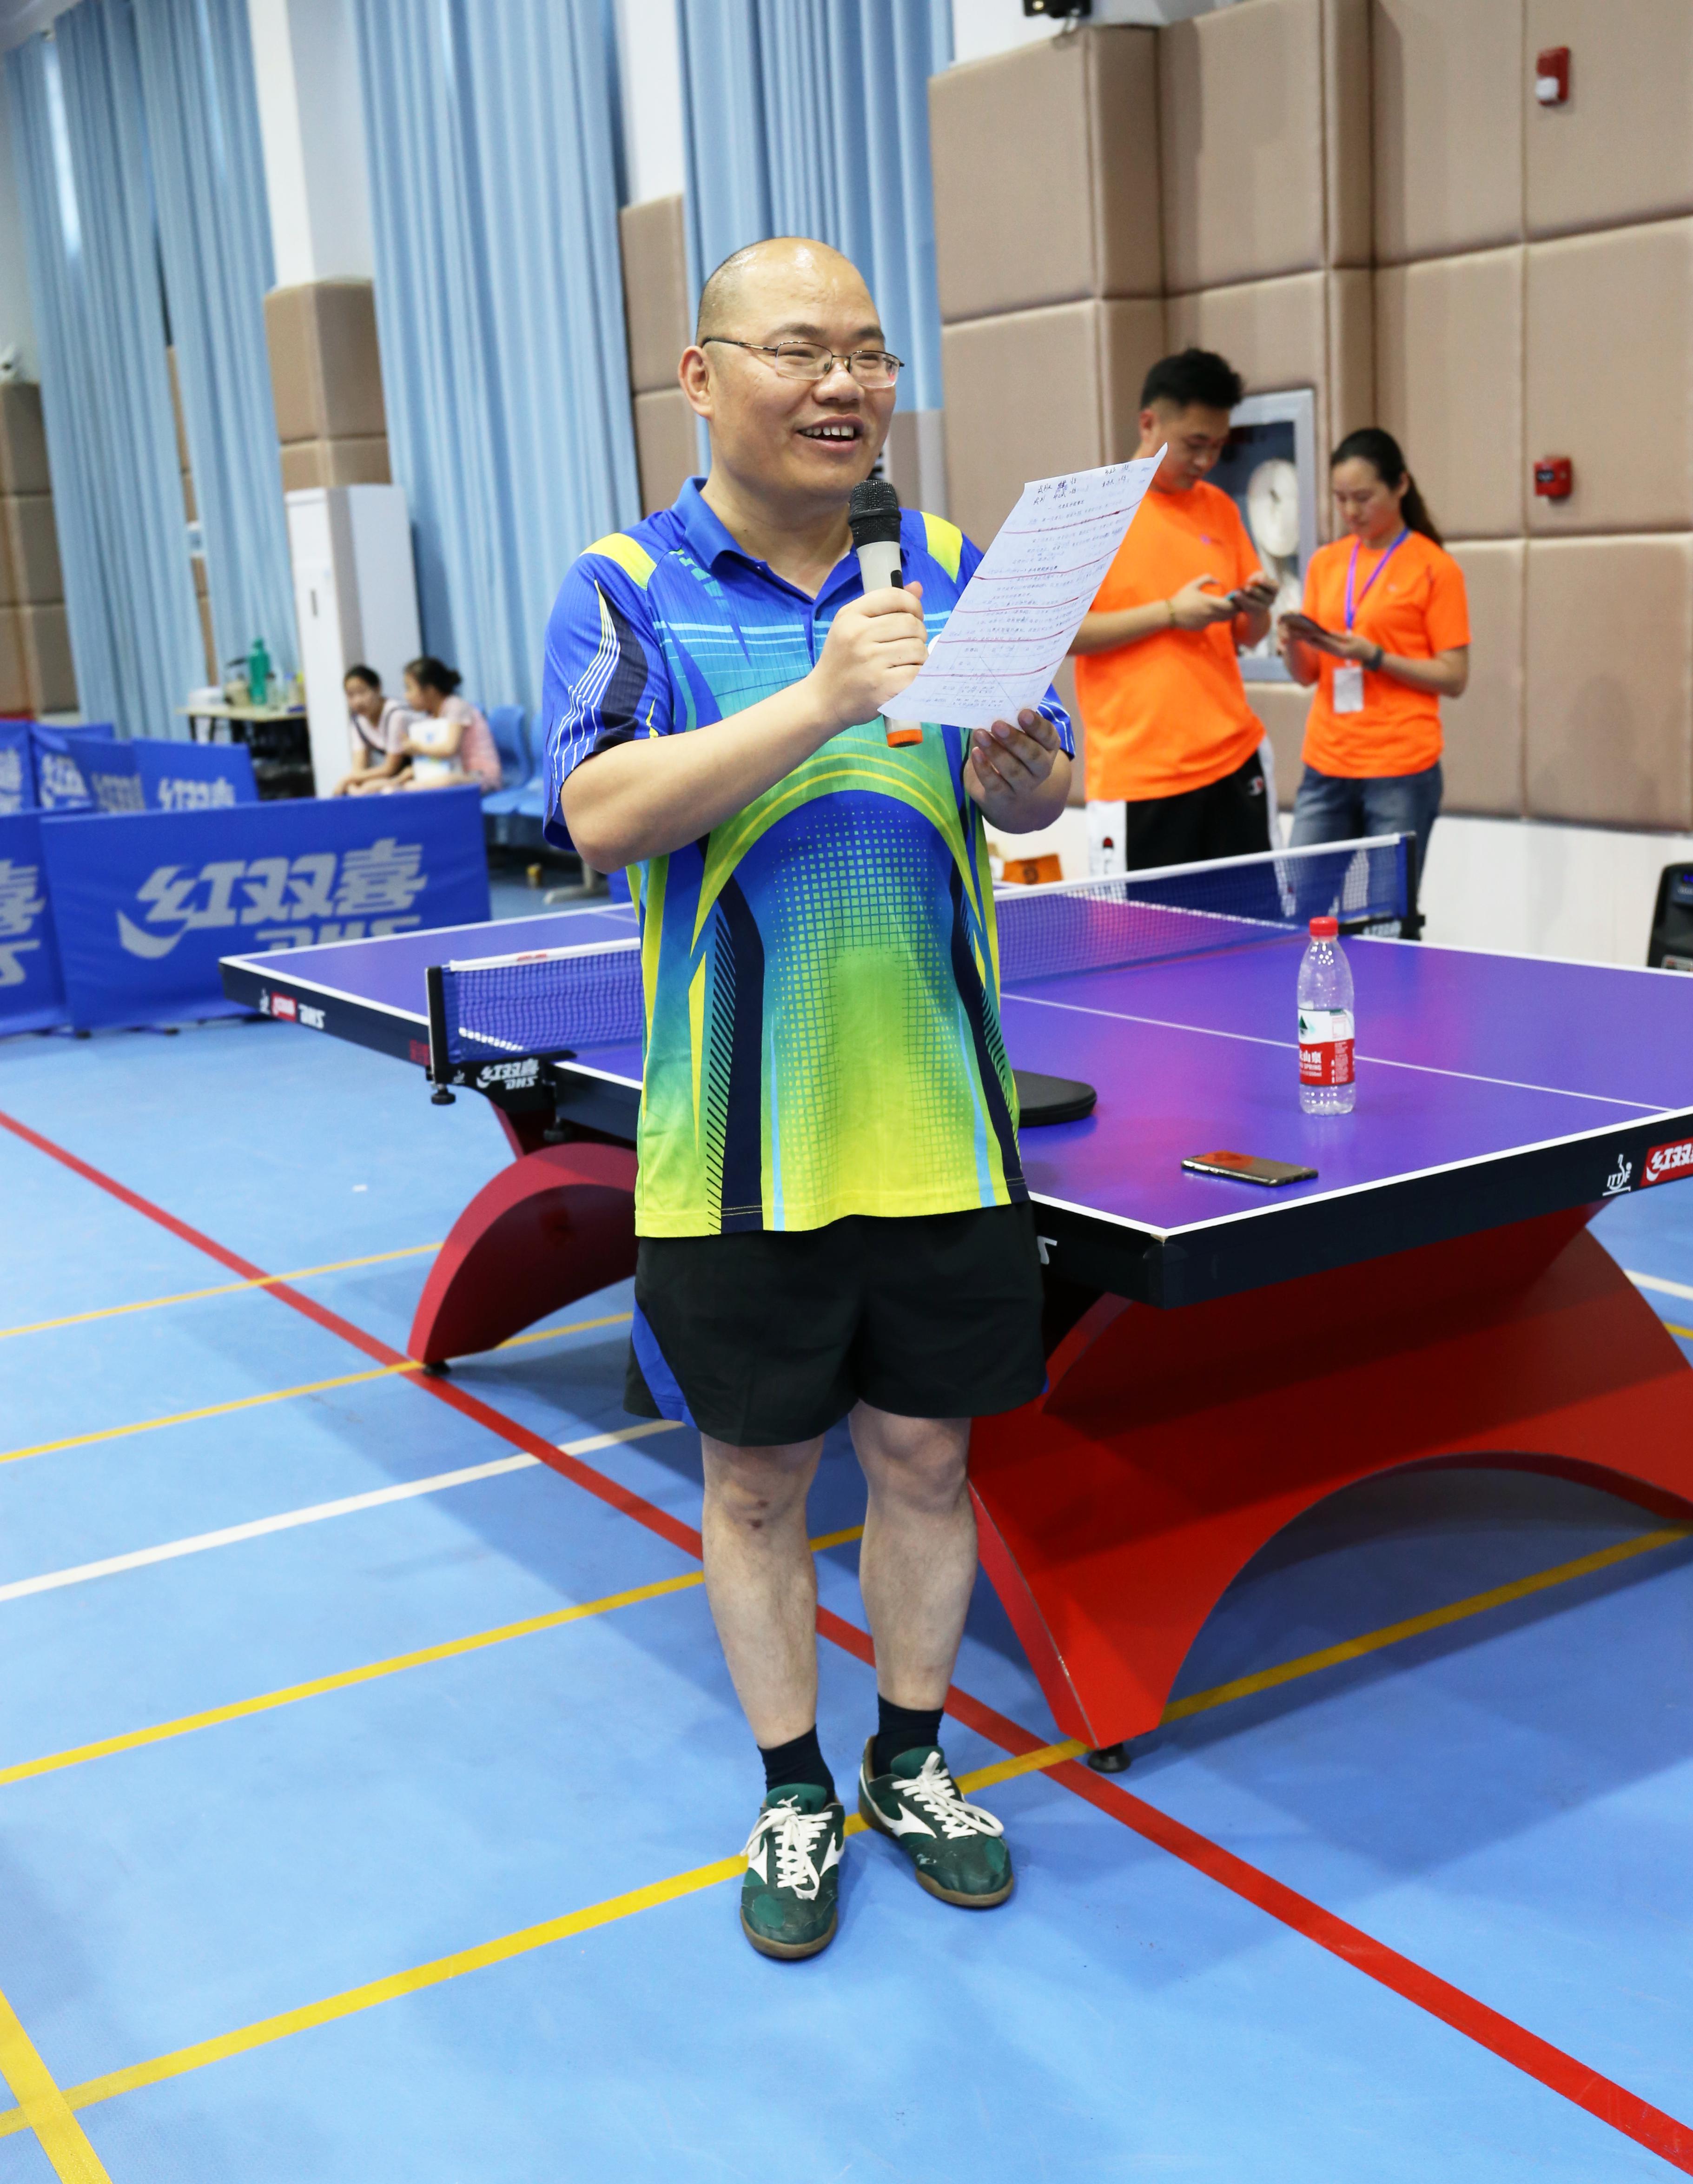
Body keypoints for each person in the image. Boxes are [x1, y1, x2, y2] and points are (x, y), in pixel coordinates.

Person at [544, 236, 1071, 1962]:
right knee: (758, 1484)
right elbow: (600, 815)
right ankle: (792, 1788)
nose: (843, 383)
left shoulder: (954, 563)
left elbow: (1033, 791)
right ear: (703, 378)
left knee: (925, 1459)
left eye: (868, 352)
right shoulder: (625, 582)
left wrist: (1022, 773)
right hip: (736, 1144)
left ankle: (909, 1762)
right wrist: (825, 693)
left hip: (943, 1121)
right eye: (798, 349)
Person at [1068, 349, 1280, 873]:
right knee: (1145, 931)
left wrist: (1256, 608)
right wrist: (1168, 613)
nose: (1207, 461)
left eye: (1218, 447)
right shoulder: (1093, 508)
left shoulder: (1220, 508)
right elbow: (1061, 635)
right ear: (1149, 423)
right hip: (1141, 780)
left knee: (1253, 923)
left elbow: (1248, 635)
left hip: (1235, 761)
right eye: (1194, 444)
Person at [1277, 427, 1469, 897]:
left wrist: (1376, 657)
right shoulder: (1326, 563)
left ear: (1400, 485)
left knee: (1387, 917)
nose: (1351, 512)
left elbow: (1454, 677)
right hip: (1328, 762)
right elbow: (1307, 676)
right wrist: (1293, 643)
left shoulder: (1434, 567)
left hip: (1401, 768)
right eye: (1341, 499)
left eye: (1363, 498)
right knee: (1300, 906)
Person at [384, 657, 502, 793]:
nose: (406, 696)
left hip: (481, 776)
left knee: (437, 783)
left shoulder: (456, 706)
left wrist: (418, 748)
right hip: (455, 772)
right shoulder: (431, 718)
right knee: (409, 779)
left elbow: (449, 749)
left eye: (409, 689)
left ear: (430, 690)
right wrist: (408, 773)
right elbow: (434, 760)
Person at [330, 665, 414, 795]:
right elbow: (358, 768)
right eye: (351, 695)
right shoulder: (358, 721)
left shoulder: (396, 714)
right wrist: (353, 786)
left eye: (362, 693)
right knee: (356, 789)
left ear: (378, 689)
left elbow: (391, 768)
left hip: (418, 770)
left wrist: (347, 779)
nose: (358, 701)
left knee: (373, 787)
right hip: (397, 776)